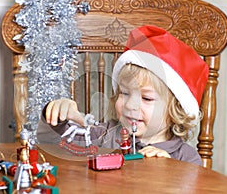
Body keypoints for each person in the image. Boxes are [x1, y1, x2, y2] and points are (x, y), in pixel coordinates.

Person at [38, 25, 209, 166]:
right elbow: (57, 142)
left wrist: (171, 169)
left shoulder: (186, 158)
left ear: (176, 111)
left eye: (147, 98)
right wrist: (59, 115)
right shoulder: (106, 135)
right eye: (124, 93)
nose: (130, 105)